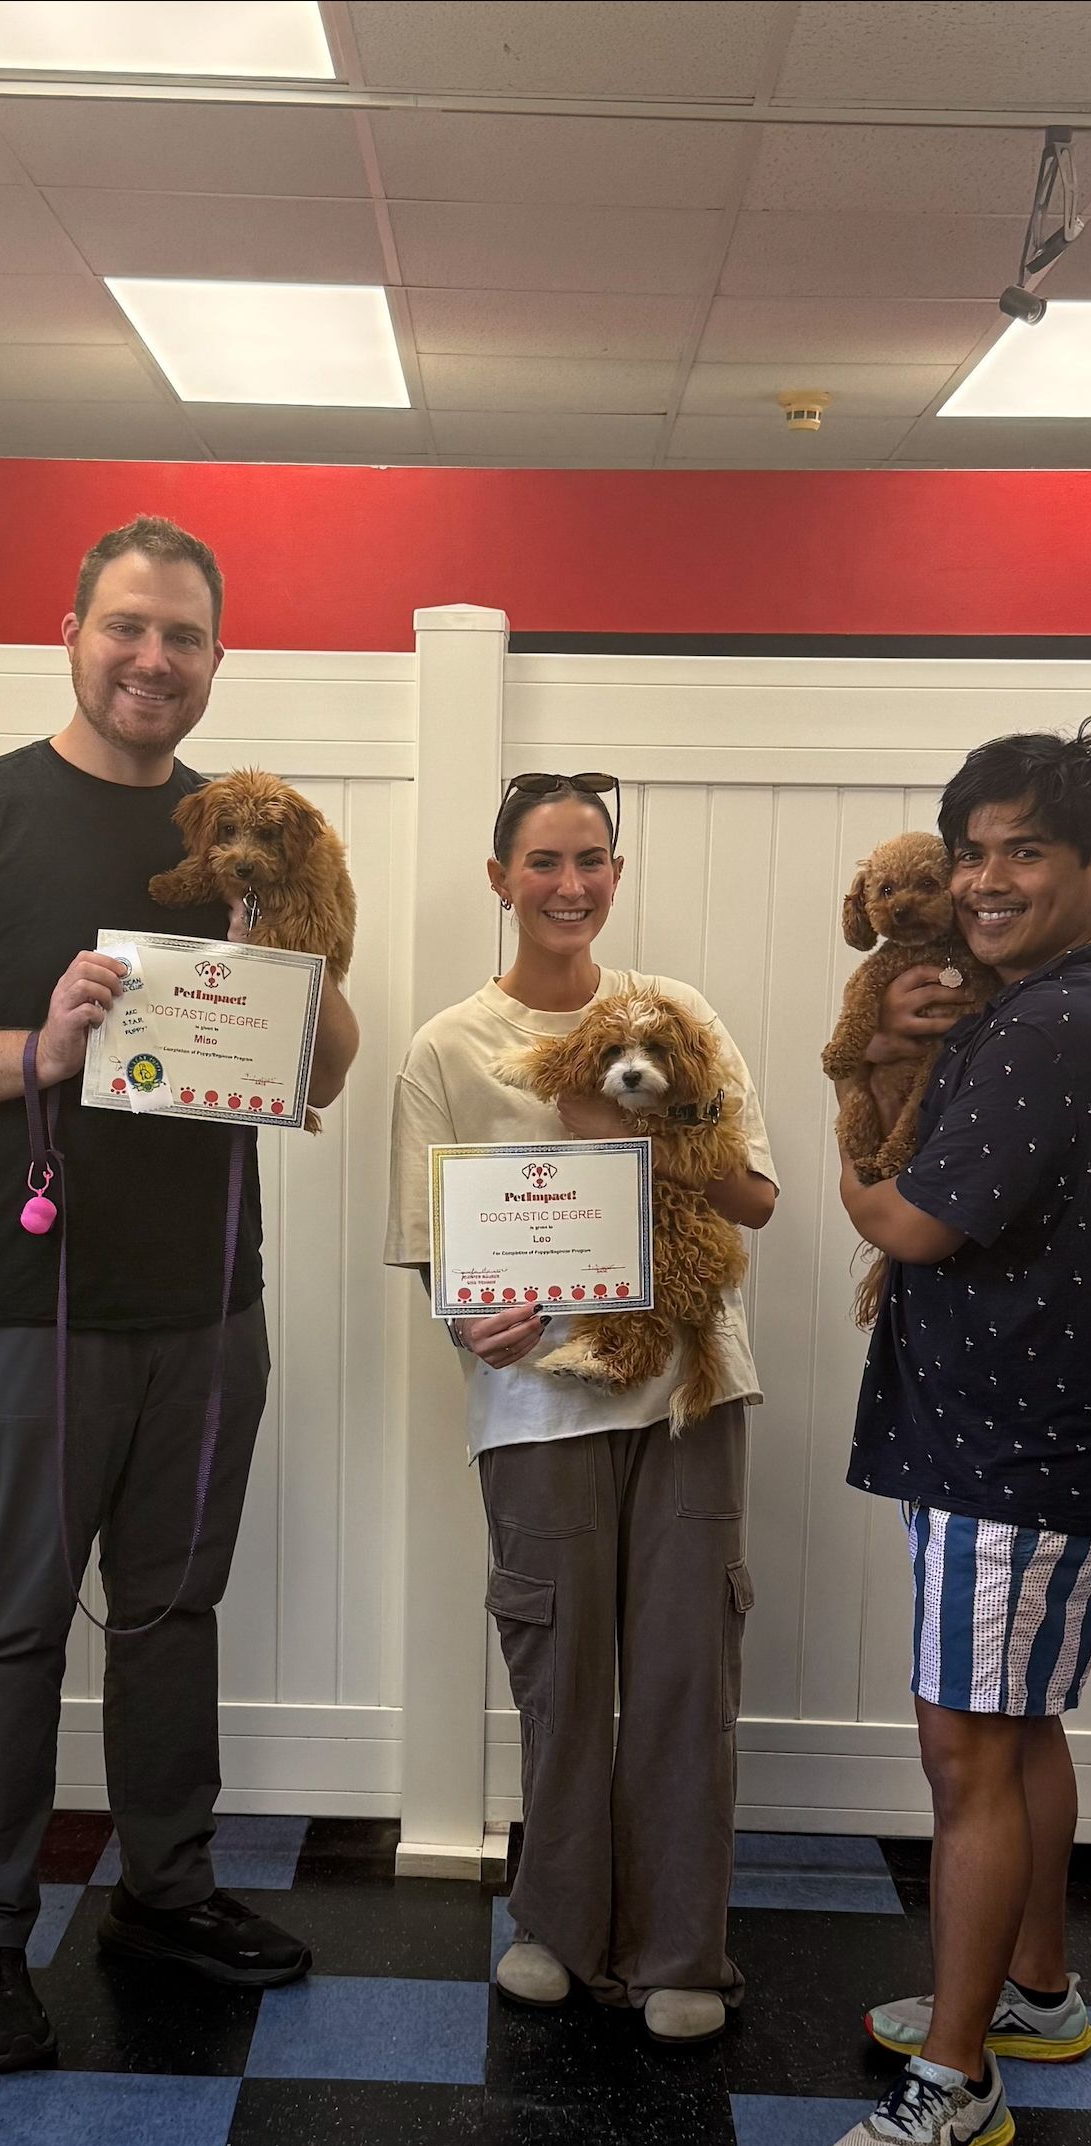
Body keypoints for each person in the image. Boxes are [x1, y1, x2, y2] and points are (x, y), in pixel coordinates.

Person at [0, 515, 360, 2072]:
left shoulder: (254, 832)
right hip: (21, 1299)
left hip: (206, 1300)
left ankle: (165, 1890)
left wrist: (287, 964)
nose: (152, 660)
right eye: (126, 627)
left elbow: (321, 1073)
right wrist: (31, 1053)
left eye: (182, 637)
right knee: (17, 1621)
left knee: (171, 1611)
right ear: (70, 633)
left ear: (214, 658)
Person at [819, 721, 1091, 2146]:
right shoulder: (1059, 1005)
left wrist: (847, 1140)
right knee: (1017, 1732)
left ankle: (953, 2081)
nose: (984, 879)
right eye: (968, 851)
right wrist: (912, 1044)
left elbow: (907, 1225)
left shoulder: (1050, 1026)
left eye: (1023, 849)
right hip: (1044, 1434)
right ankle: (1033, 1991)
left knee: (965, 1753)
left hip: (1007, 1447)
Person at [384, 774, 779, 2042]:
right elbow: (436, 1256)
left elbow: (757, 1196)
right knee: (559, 1676)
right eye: (544, 860)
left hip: (688, 1393)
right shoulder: (445, 1047)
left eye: (593, 859)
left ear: (617, 872)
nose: (571, 884)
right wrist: (470, 1317)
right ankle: (555, 1923)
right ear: (498, 875)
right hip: (533, 1406)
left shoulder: (677, 1016)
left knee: (680, 1676)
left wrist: (638, 1125)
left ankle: (681, 1951)